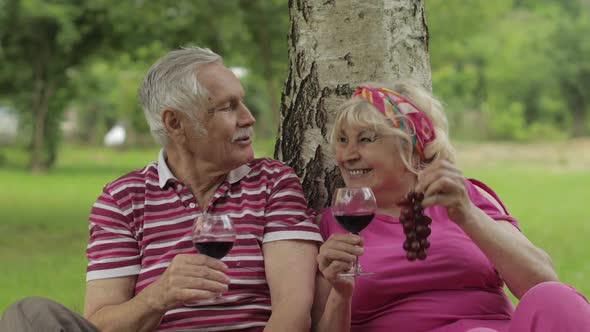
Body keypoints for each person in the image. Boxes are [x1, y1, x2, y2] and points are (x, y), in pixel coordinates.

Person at [1, 47, 322, 332]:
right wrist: (159, 295)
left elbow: (293, 310)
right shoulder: (122, 200)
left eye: (243, 102)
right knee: (29, 315)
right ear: (175, 123)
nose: (248, 118)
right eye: (228, 107)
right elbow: (99, 323)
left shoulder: (273, 182)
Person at [311, 82, 590, 332]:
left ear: (412, 145)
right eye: (343, 140)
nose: (347, 155)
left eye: (365, 139)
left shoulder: (465, 196)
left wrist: (466, 213)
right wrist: (341, 293)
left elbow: (540, 280)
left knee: (554, 298)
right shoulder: (334, 222)